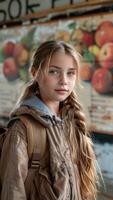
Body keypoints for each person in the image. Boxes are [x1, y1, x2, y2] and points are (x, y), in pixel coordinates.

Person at [0, 40, 98, 200]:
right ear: (35, 73)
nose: (64, 81)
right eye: (53, 71)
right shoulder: (22, 129)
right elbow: (12, 191)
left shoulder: (71, 121)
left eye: (71, 73)